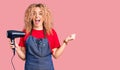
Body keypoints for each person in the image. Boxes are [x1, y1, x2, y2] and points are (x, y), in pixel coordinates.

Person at [10, 3, 76, 70]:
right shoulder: (25, 32)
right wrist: (17, 48)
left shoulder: (51, 32)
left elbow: (56, 55)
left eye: (40, 13)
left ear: (45, 17)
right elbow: (24, 57)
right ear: (30, 16)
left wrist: (66, 42)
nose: (37, 16)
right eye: (34, 13)